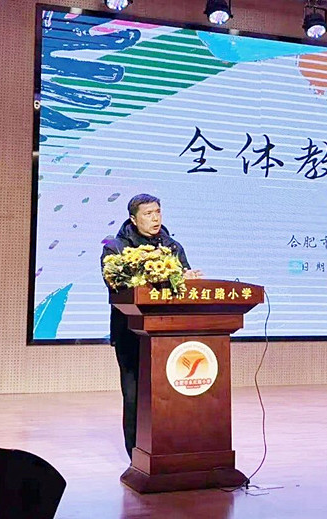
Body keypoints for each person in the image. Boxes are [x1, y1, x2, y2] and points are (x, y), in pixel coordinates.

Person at [100, 193, 202, 460]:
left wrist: (188, 278)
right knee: (134, 396)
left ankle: (169, 450)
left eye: (158, 212)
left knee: (169, 394)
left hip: (169, 335)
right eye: (148, 214)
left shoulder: (172, 246)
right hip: (130, 333)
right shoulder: (115, 248)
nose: (155, 218)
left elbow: (184, 283)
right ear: (133, 219)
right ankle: (136, 455)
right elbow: (117, 286)